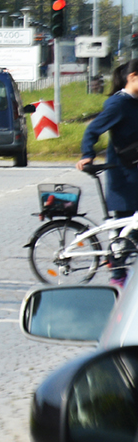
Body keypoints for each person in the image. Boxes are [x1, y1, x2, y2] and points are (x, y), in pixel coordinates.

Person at [79, 58, 138, 285]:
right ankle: (117, 275)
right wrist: (87, 154)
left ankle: (119, 269)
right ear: (132, 77)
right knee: (126, 228)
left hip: (133, 173)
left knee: (128, 228)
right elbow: (92, 130)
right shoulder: (119, 104)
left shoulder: (133, 103)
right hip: (123, 176)